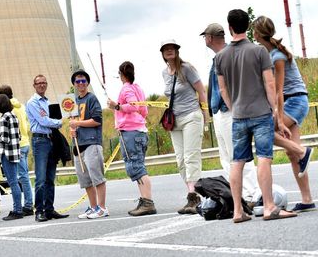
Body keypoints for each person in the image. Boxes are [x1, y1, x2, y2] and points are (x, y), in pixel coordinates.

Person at [216, 9, 297, 222]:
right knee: (263, 158)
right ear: (247, 26)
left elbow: (223, 89)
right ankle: (269, 206)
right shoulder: (259, 51)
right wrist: (276, 111)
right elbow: (270, 84)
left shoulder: (221, 56)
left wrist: (233, 108)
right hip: (260, 113)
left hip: (238, 115)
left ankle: (237, 211)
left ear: (230, 27)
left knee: (237, 161)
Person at [252, 16, 314, 212]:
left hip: (295, 101)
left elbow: (278, 90)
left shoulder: (277, 56)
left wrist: (278, 117)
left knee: (266, 133)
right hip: (292, 101)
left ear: (256, 34)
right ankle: (307, 199)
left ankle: (304, 152)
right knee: (291, 152)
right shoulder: (272, 53)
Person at [201, 23, 259, 202]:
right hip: (220, 111)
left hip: (230, 111)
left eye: (205, 37)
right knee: (226, 156)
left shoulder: (228, 55)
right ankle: (238, 194)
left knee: (238, 153)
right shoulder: (220, 56)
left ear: (210, 38)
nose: (204, 40)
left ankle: (252, 192)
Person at [160, 39, 208, 214]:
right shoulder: (165, 73)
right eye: (166, 49)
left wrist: (205, 114)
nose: (169, 51)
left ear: (177, 51)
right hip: (175, 120)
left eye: (172, 48)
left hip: (191, 116)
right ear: (162, 53)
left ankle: (193, 196)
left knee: (191, 157)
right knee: (180, 161)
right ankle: (193, 193)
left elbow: (201, 91)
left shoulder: (187, 68)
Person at [107, 61, 157, 216]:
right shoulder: (138, 88)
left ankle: (148, 202)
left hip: (130, 132)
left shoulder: (127, 89)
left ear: (122, 74)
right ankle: (145, 200)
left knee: (136, 166)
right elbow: (144, 110)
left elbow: (133, 105)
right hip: (140, 130)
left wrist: (117, 106)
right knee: (139, 165)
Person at [26, 74, 69, 222]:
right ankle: (39, 210)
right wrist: (58, 122)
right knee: (41, 178)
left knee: (50, 177)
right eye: (39, 83)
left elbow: (48, 118)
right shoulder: (32, 102)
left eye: (44, 83)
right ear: (34, 85)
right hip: (40, 141)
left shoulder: (47, 102)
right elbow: (43, 120)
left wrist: (54, 121)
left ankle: (49, 209)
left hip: (51, 140)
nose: (42, 85)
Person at [68, 69, 108, 220]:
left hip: (91, 141)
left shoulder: (92, 99)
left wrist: (77, 123)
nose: (80, 84)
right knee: (85, 179)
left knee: (96, 176)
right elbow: (73, 123)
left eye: (83, 81)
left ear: (87, 83)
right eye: (77, 81)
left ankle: (102, 207)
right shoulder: (73, 102)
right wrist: (73, 129)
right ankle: (93, 207)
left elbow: (97, 120)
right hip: (79, 144)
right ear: (74, 84)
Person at [0, 84, 34, 216]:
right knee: (23, 176)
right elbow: (27, 124)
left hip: (15, 146)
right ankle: (28, 203)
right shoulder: (22, 107)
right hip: (25, 142)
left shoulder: (9, 110)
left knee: (18, 177)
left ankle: (27, 205)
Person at [0, 94, 23, 221]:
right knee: (14, 181)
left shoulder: (3, 119)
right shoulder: (14, 116)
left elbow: (5, 139)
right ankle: (18, 208)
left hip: (7, 153)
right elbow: (19, 136)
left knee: (12, 182)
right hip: (15, 152)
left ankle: (17, 210)